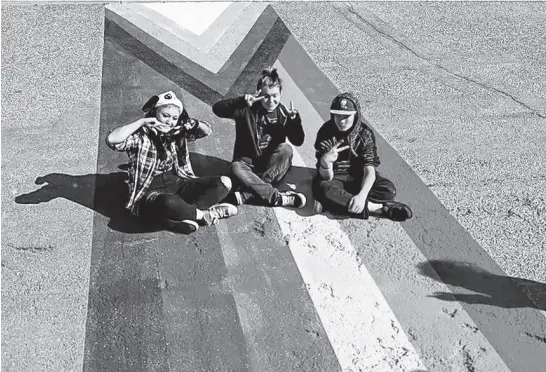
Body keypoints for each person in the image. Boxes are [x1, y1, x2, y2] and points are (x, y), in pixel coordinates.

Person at [106, 90, 238, 234]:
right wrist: (141, 122)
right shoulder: (140, 136)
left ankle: (183, 216)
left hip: (179, 184)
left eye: (174, 118)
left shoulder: (177, 134)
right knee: (169, 202)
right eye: (165, 115)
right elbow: (112, 140)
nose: (170, 121)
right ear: (155, 113)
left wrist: (194, 123)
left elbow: (206, 131)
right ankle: (203, 215)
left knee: (224, 183)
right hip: (151, 193)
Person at [212, 68, 307, 208]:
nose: (271, 101)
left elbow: (298, 141)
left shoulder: (284, 113)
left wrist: (295, 121)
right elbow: (217, 109)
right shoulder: (247, 109)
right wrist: (239, 101)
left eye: (275, 95)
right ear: (259, 94)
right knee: (236, 167)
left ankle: (248, 193)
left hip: (270, 167)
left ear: (281, 93)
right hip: (247, 165)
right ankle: (277, 198)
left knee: (286, 149)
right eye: (266, 96)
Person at [313, 92, 413, 221]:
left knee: (388, 190)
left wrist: (361, 195)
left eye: (346, 116)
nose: (341, 121)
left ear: (356, 115)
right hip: (335, 176)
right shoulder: (326, 132)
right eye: (337, 116)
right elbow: (325, 177)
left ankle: (336, 203)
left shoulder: (364, 133)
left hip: (358, 176)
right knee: (325, 189)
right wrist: (325, 162)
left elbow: (369, 169)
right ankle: (379, 209)